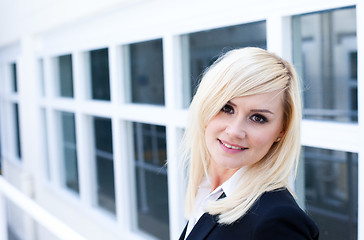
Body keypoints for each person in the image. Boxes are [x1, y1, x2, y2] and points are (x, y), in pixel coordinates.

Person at [179, 47, 319, 240]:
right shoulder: (207, 189)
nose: (235, 131)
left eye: (258, 118)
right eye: (226, 108)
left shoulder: (278, 221)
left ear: (281, 131)